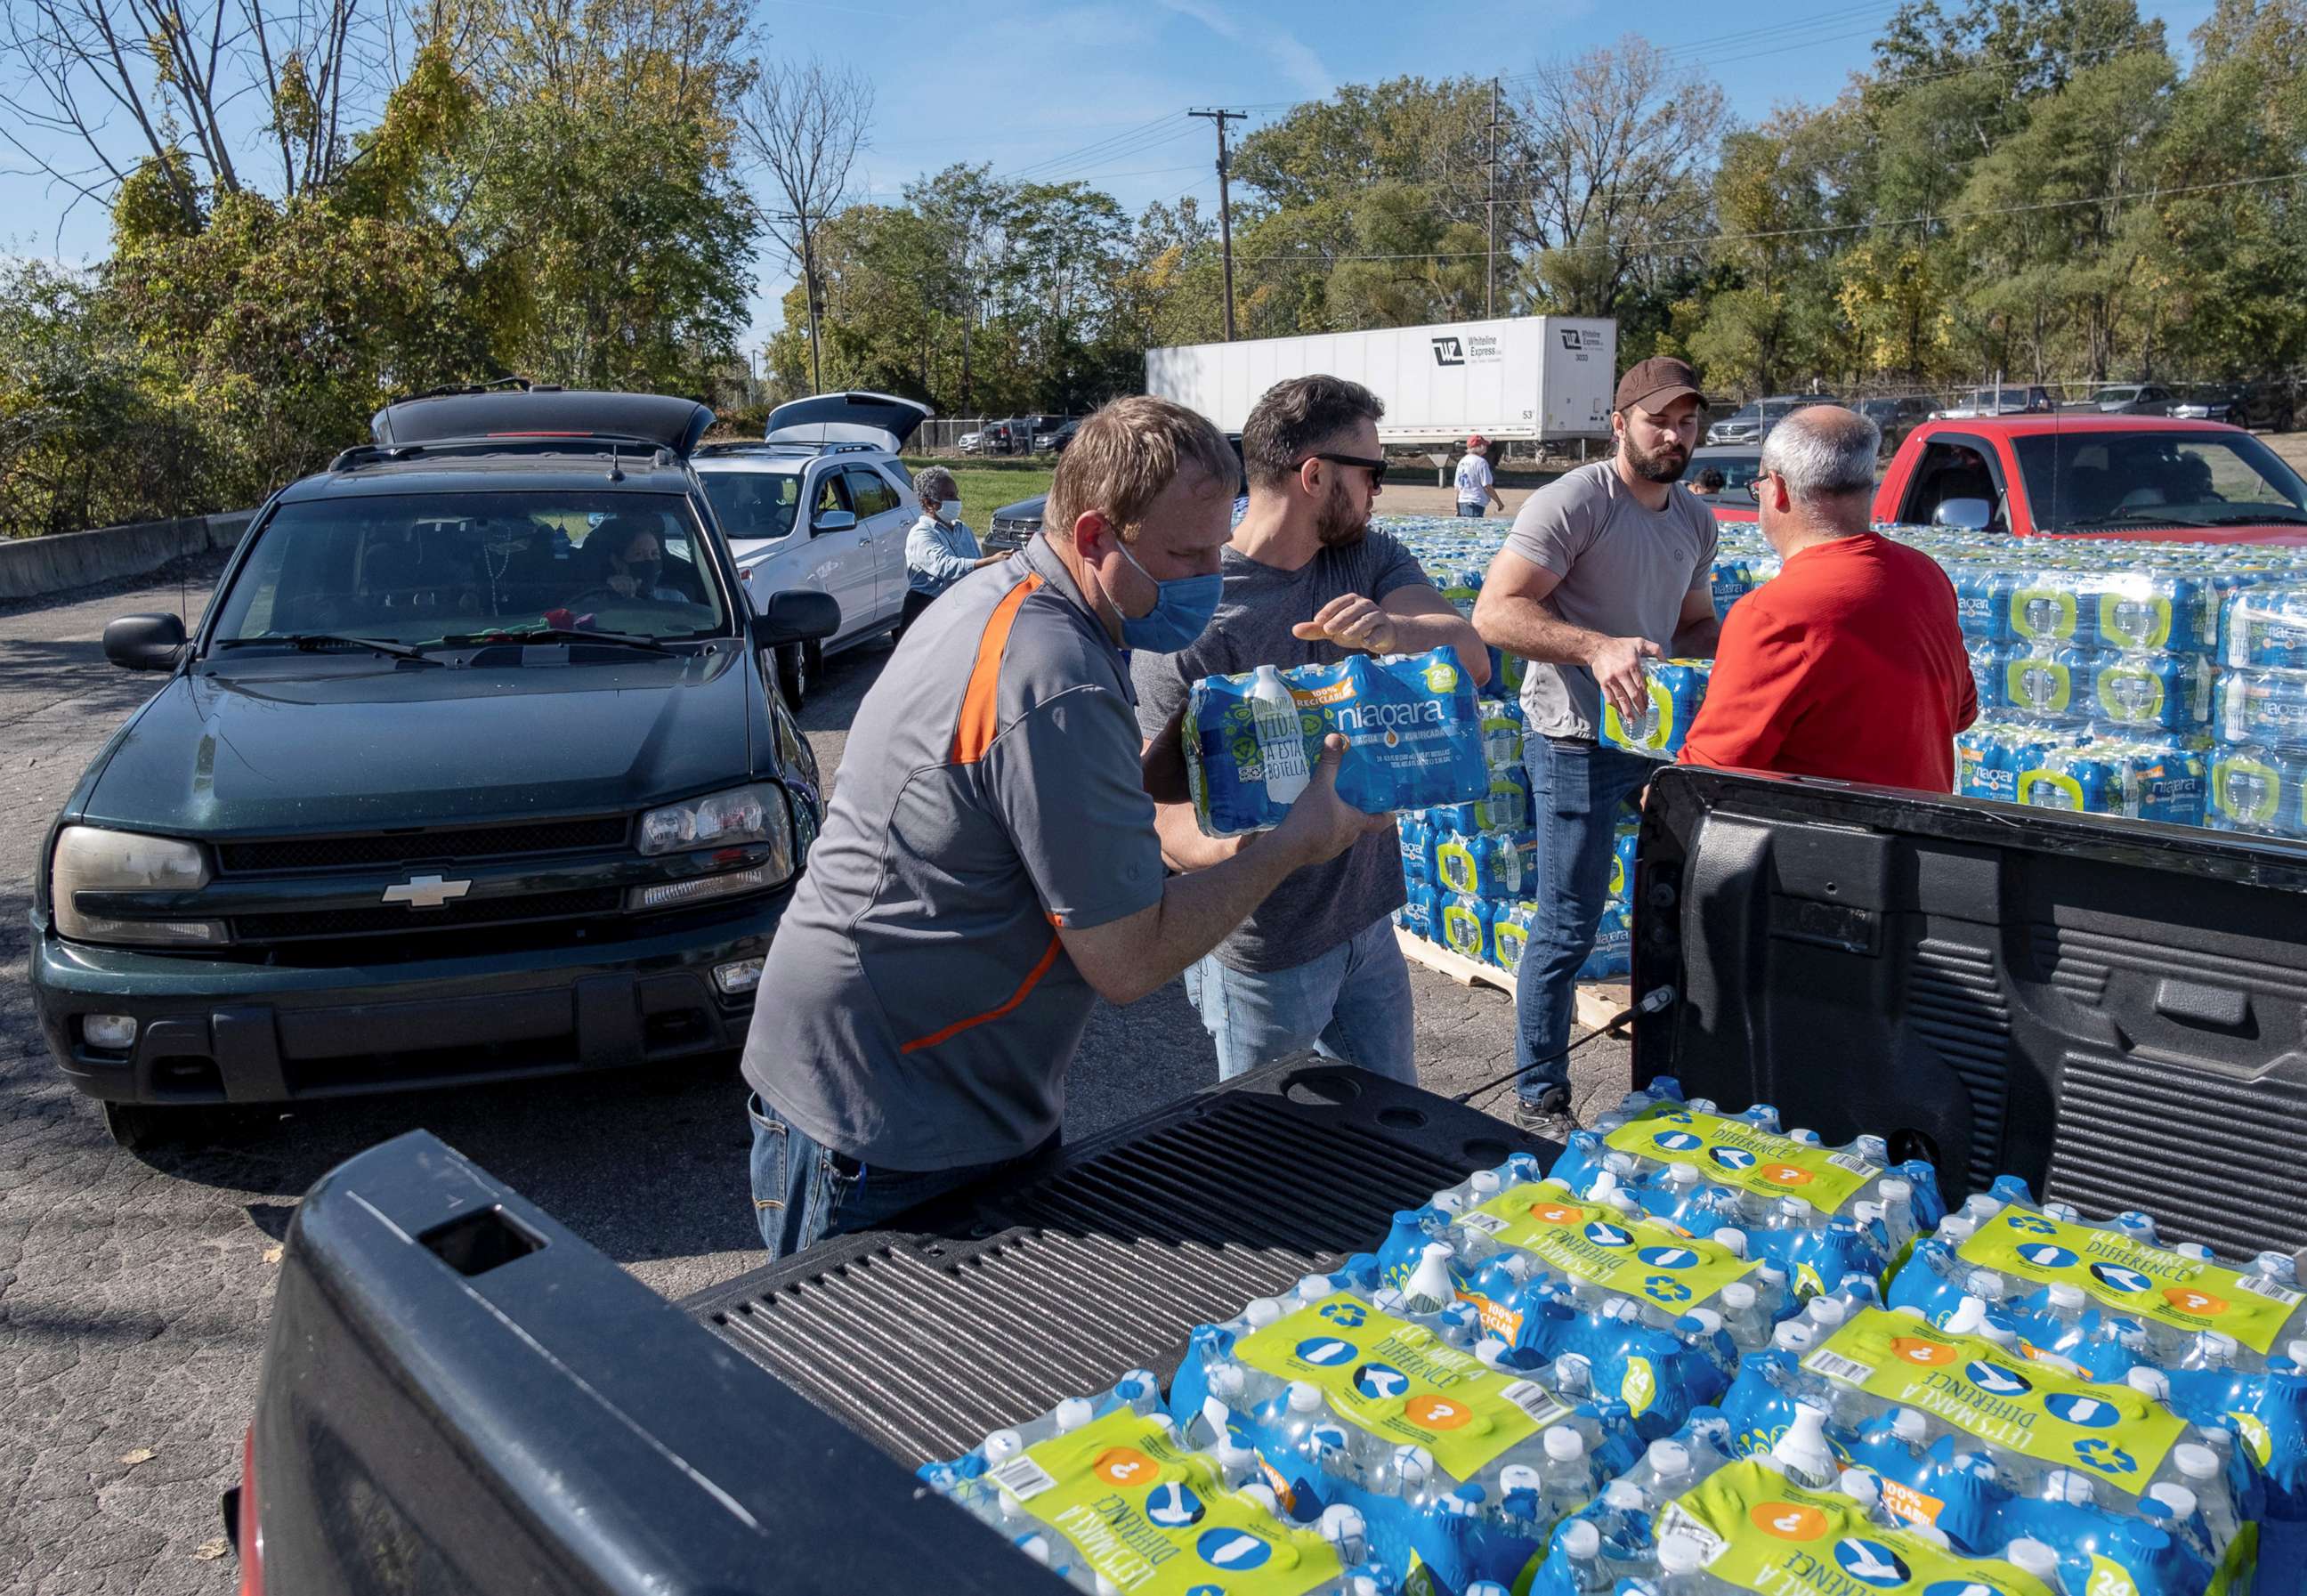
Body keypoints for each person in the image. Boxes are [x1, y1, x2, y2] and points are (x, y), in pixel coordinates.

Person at [739, 396, 1388, 1259]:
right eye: (1186, 556)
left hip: (911, 1082)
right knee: (857, 1382)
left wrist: (1195, 743)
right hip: (887, 1113)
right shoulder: (1059, 670)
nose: (1209, 577)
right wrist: (1290, 846)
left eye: (1216, 548)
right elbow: (1127, 957)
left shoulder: (1015, 597)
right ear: (1094, 537)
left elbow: (1048, 799)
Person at [1135, 377, 1489, 1085]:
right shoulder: (1192, 621)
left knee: (1398, 1130)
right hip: (1264, 955)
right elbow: (1160, 816)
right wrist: (1268, 845)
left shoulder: (1364, 557)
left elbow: (1472, 658)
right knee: (1277, 1166)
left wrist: (1395, 630)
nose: (1379, 492)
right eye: (1374, 473)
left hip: (1367, 926)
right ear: (1315, 474)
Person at [1470, 356, 1722, 1138]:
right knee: (1569, 923)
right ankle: (1540, 1096)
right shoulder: (1577, 500)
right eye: (1659, 421)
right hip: (1574, 738)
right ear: (1620, 425)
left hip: (1658, 743)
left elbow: (1691, 625)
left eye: (1687, 423)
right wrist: (1594, 647)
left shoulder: (1695, 519)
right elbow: (1493, 613)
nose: (1675, 436)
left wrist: (1755, 641)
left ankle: (1670, 1083)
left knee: (1676, 915)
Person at [1679, 407, 1976, 788]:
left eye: (1759, 488)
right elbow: (1962, 712)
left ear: (1778, 488)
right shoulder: (1927, 575)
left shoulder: (1772, 613)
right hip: (1922, 838)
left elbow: (1708, 778)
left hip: (1824, 842)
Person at [900, 466, 1003, 633]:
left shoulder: (963, 530)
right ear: (929, 502)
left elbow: (974, 570)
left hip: (957, 607)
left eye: (956, 494)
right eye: (949, 496)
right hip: (926, 611)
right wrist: (989, 561)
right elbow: (946, 566)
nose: (956, 501)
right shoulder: (920, 534)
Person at [591, 516, 684, 602]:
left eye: (654, 553)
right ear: (617, 562)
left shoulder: (675, 600)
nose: (649, 560)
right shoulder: (597, 601)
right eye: (639, 554)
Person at [1455, 435, 1505, 518]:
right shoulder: (1481, 462)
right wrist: (1499, 502)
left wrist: (1457, 508)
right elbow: (1487, 486)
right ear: (1479, 447)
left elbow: (1457, 488)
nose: (1486, 447)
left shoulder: (1462, 462)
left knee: (1466, 530)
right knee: (1474, 529)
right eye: (1484, 445)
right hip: (1475, 502)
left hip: (1462, 502)